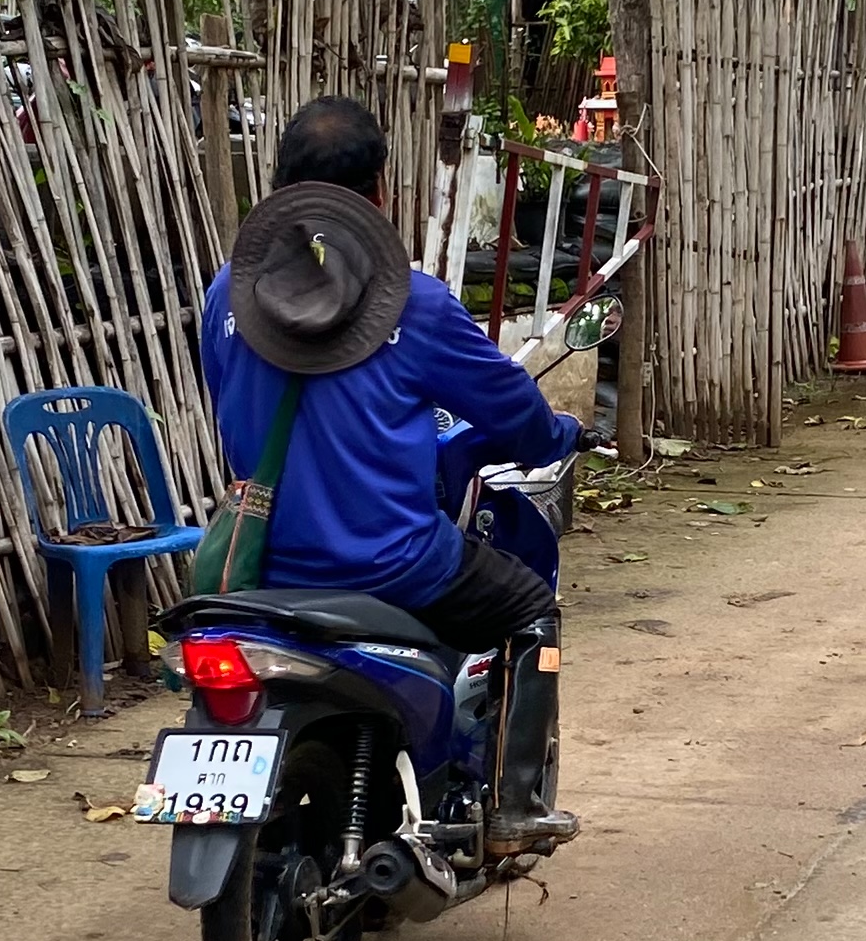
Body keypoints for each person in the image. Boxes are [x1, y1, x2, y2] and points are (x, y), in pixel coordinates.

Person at [200, 94, 582, 836]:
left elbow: (229, 406)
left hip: (262, 564)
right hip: (394, 564)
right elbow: (514, 413)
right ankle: (514, 805)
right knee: (531, 607)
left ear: (278, 186)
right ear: (380, 191)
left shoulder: (227, 297)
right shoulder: (417, 305)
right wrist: (555, 436)